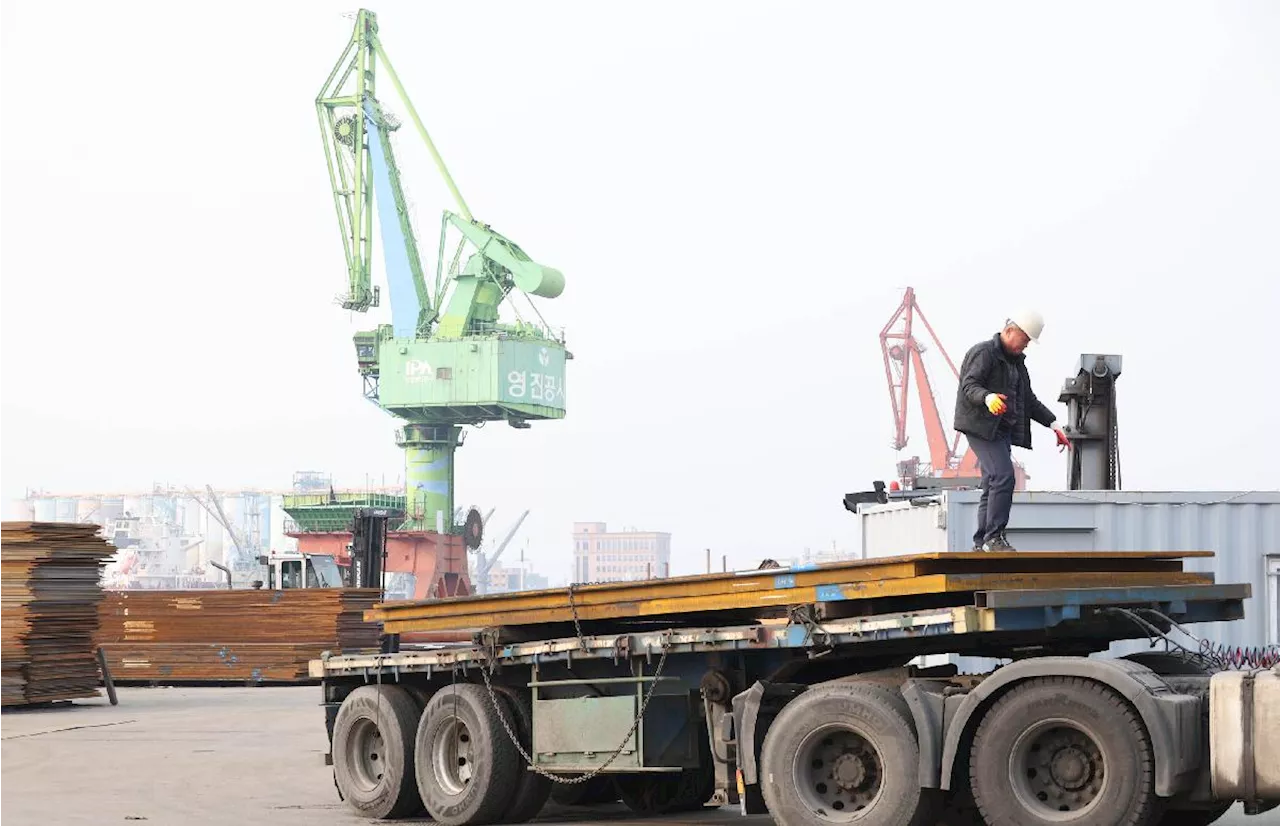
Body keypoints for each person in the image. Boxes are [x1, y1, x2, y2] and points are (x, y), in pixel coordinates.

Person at [954, 311, 1069, 551]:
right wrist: (987, 398)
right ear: (1010, 331)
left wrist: (1054, 424)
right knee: (1003, 476)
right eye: (1025, 339)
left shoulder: (1017, 365)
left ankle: (982, 542)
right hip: (981, 427)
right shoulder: (984, 353)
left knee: (992, 481)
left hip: (1001, 430)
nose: (1026, 345)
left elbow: (1028, 400)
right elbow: (969, 384)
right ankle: (993, 538)